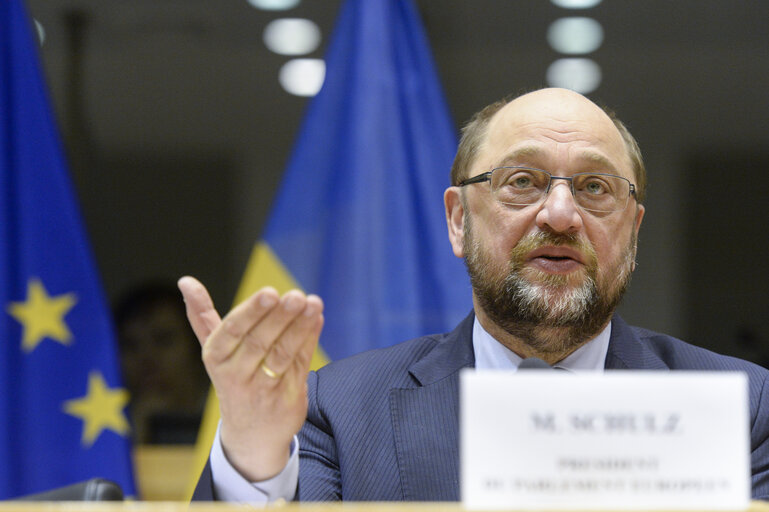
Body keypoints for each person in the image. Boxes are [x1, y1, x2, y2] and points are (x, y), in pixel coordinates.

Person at [178, 88, 769, 502]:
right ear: (458, 220)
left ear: (633, 231)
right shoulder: (336, 407)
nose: (561, 214)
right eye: (522, 182)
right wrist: (254, 449)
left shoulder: (745, 407)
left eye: (594, 187)